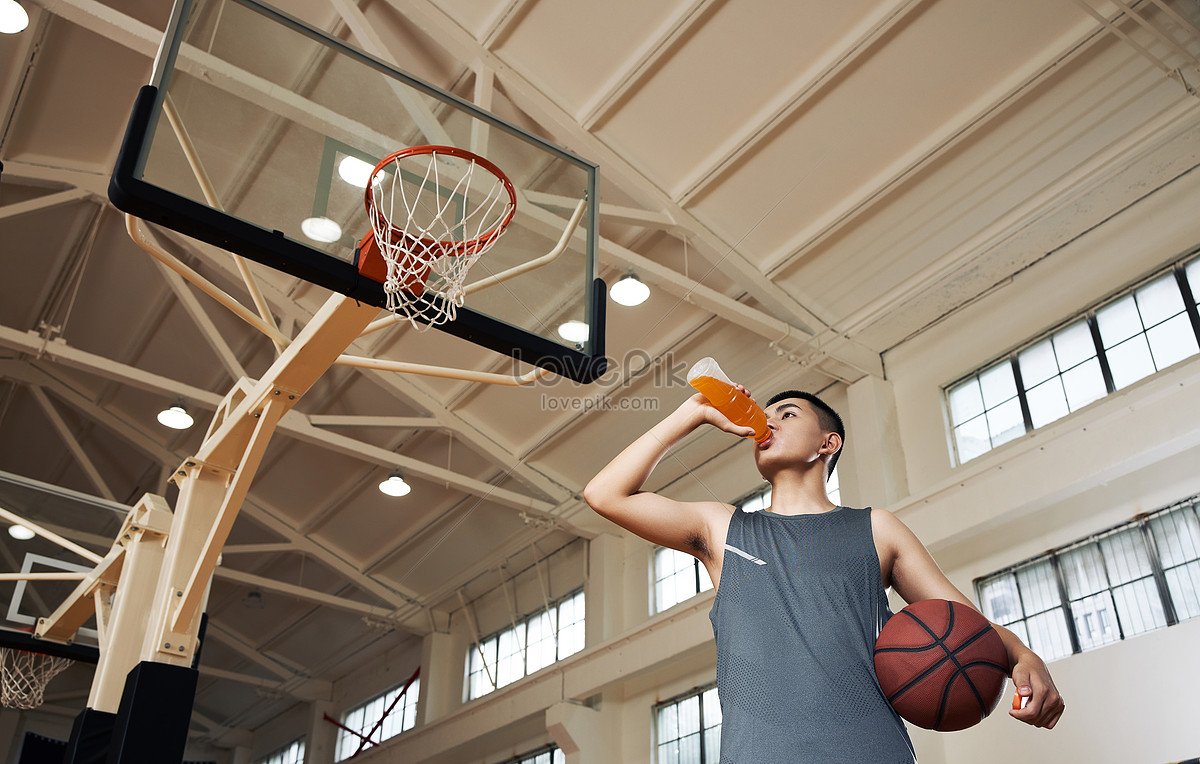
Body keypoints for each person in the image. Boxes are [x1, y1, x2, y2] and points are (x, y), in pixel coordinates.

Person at [583, 387, 1064, 762]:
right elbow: (605, 495)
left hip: (872, 752)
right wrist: (692, 414)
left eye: (786, 414)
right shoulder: (723, 528)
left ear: (827, 443)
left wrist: (1022, 653)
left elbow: (964, 622)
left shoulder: (875, 527)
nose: (766, 422)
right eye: (763, 417)